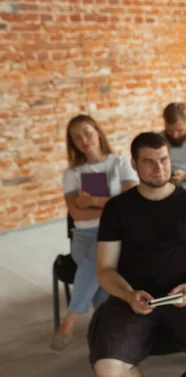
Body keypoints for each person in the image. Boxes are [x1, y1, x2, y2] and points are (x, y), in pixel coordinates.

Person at [90, 133, 186, 377]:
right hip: (131, 297)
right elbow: (105, 269)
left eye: (164, 160)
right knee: (108, 373)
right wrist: (128, 294)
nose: (160, 168)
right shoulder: (117, 208)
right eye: (149, 162)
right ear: (134, 164)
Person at [49, 115, 138, 354]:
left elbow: (129, 205)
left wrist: (93, 201)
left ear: (98, 132)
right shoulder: (72, 173)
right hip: (83, 236)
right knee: (98, 263)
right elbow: (77, 213)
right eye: (76, 137)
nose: (83, 140)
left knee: (98, 259)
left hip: (119, 234)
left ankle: (70, 321)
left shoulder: (120, 164)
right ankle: (111, 331)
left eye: (87, 132)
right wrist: (109, 204)